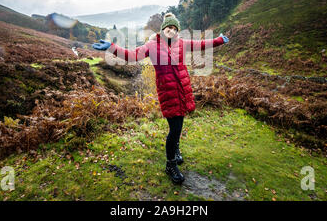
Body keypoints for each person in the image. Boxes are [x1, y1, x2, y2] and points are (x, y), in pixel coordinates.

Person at [92, 13, 229, 184]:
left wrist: (218, 40)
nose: (171, 30)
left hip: (182, 90)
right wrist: (111, 47)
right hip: (168, 92)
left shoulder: (181, 43)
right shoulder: (152, 45)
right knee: (175, 129)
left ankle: (176, 150)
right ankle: (170, 165)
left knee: (178, 126)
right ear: (163, 29)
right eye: (169, 27)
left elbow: (201, 44)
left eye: (174, 28)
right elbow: (132, 55)